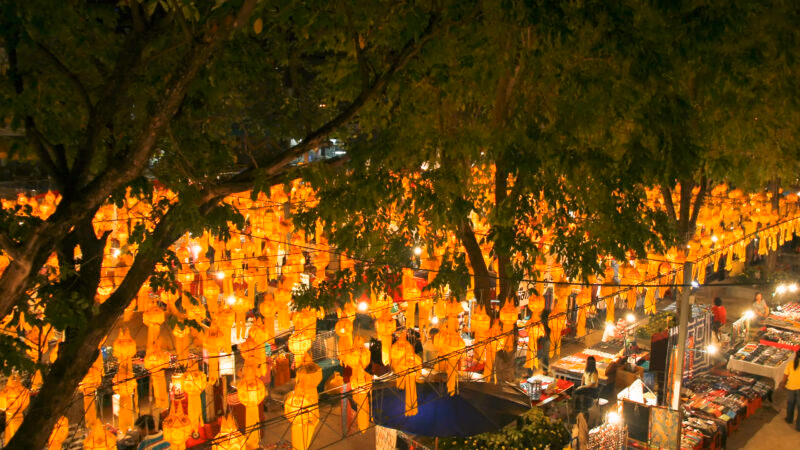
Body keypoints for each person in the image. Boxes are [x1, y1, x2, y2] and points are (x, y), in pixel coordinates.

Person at [784, 349, 800, 431]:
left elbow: (785, 375)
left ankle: (789, 419)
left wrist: (783, 384)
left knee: (790, 404)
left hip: (790, 387)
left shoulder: (791, 364)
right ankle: (798, 427)